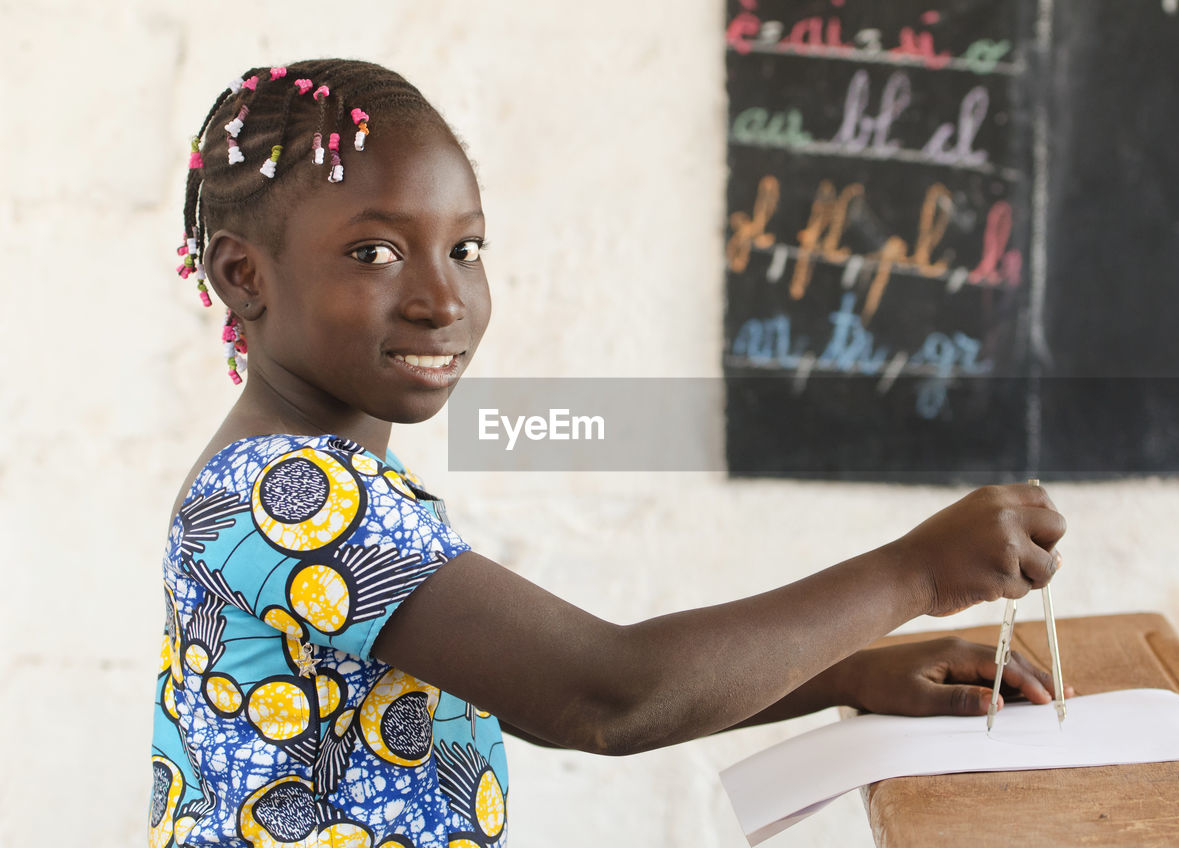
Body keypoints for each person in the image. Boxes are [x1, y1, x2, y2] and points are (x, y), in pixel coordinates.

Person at [151, 58, 1068, 848]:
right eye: (376, 251)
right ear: (244, 275)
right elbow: (603, 696)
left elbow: (517, 690)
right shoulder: (292, 492)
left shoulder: (301, 477)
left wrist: (852, 672)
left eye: (465, 248)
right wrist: (918, 573)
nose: (443, 298)